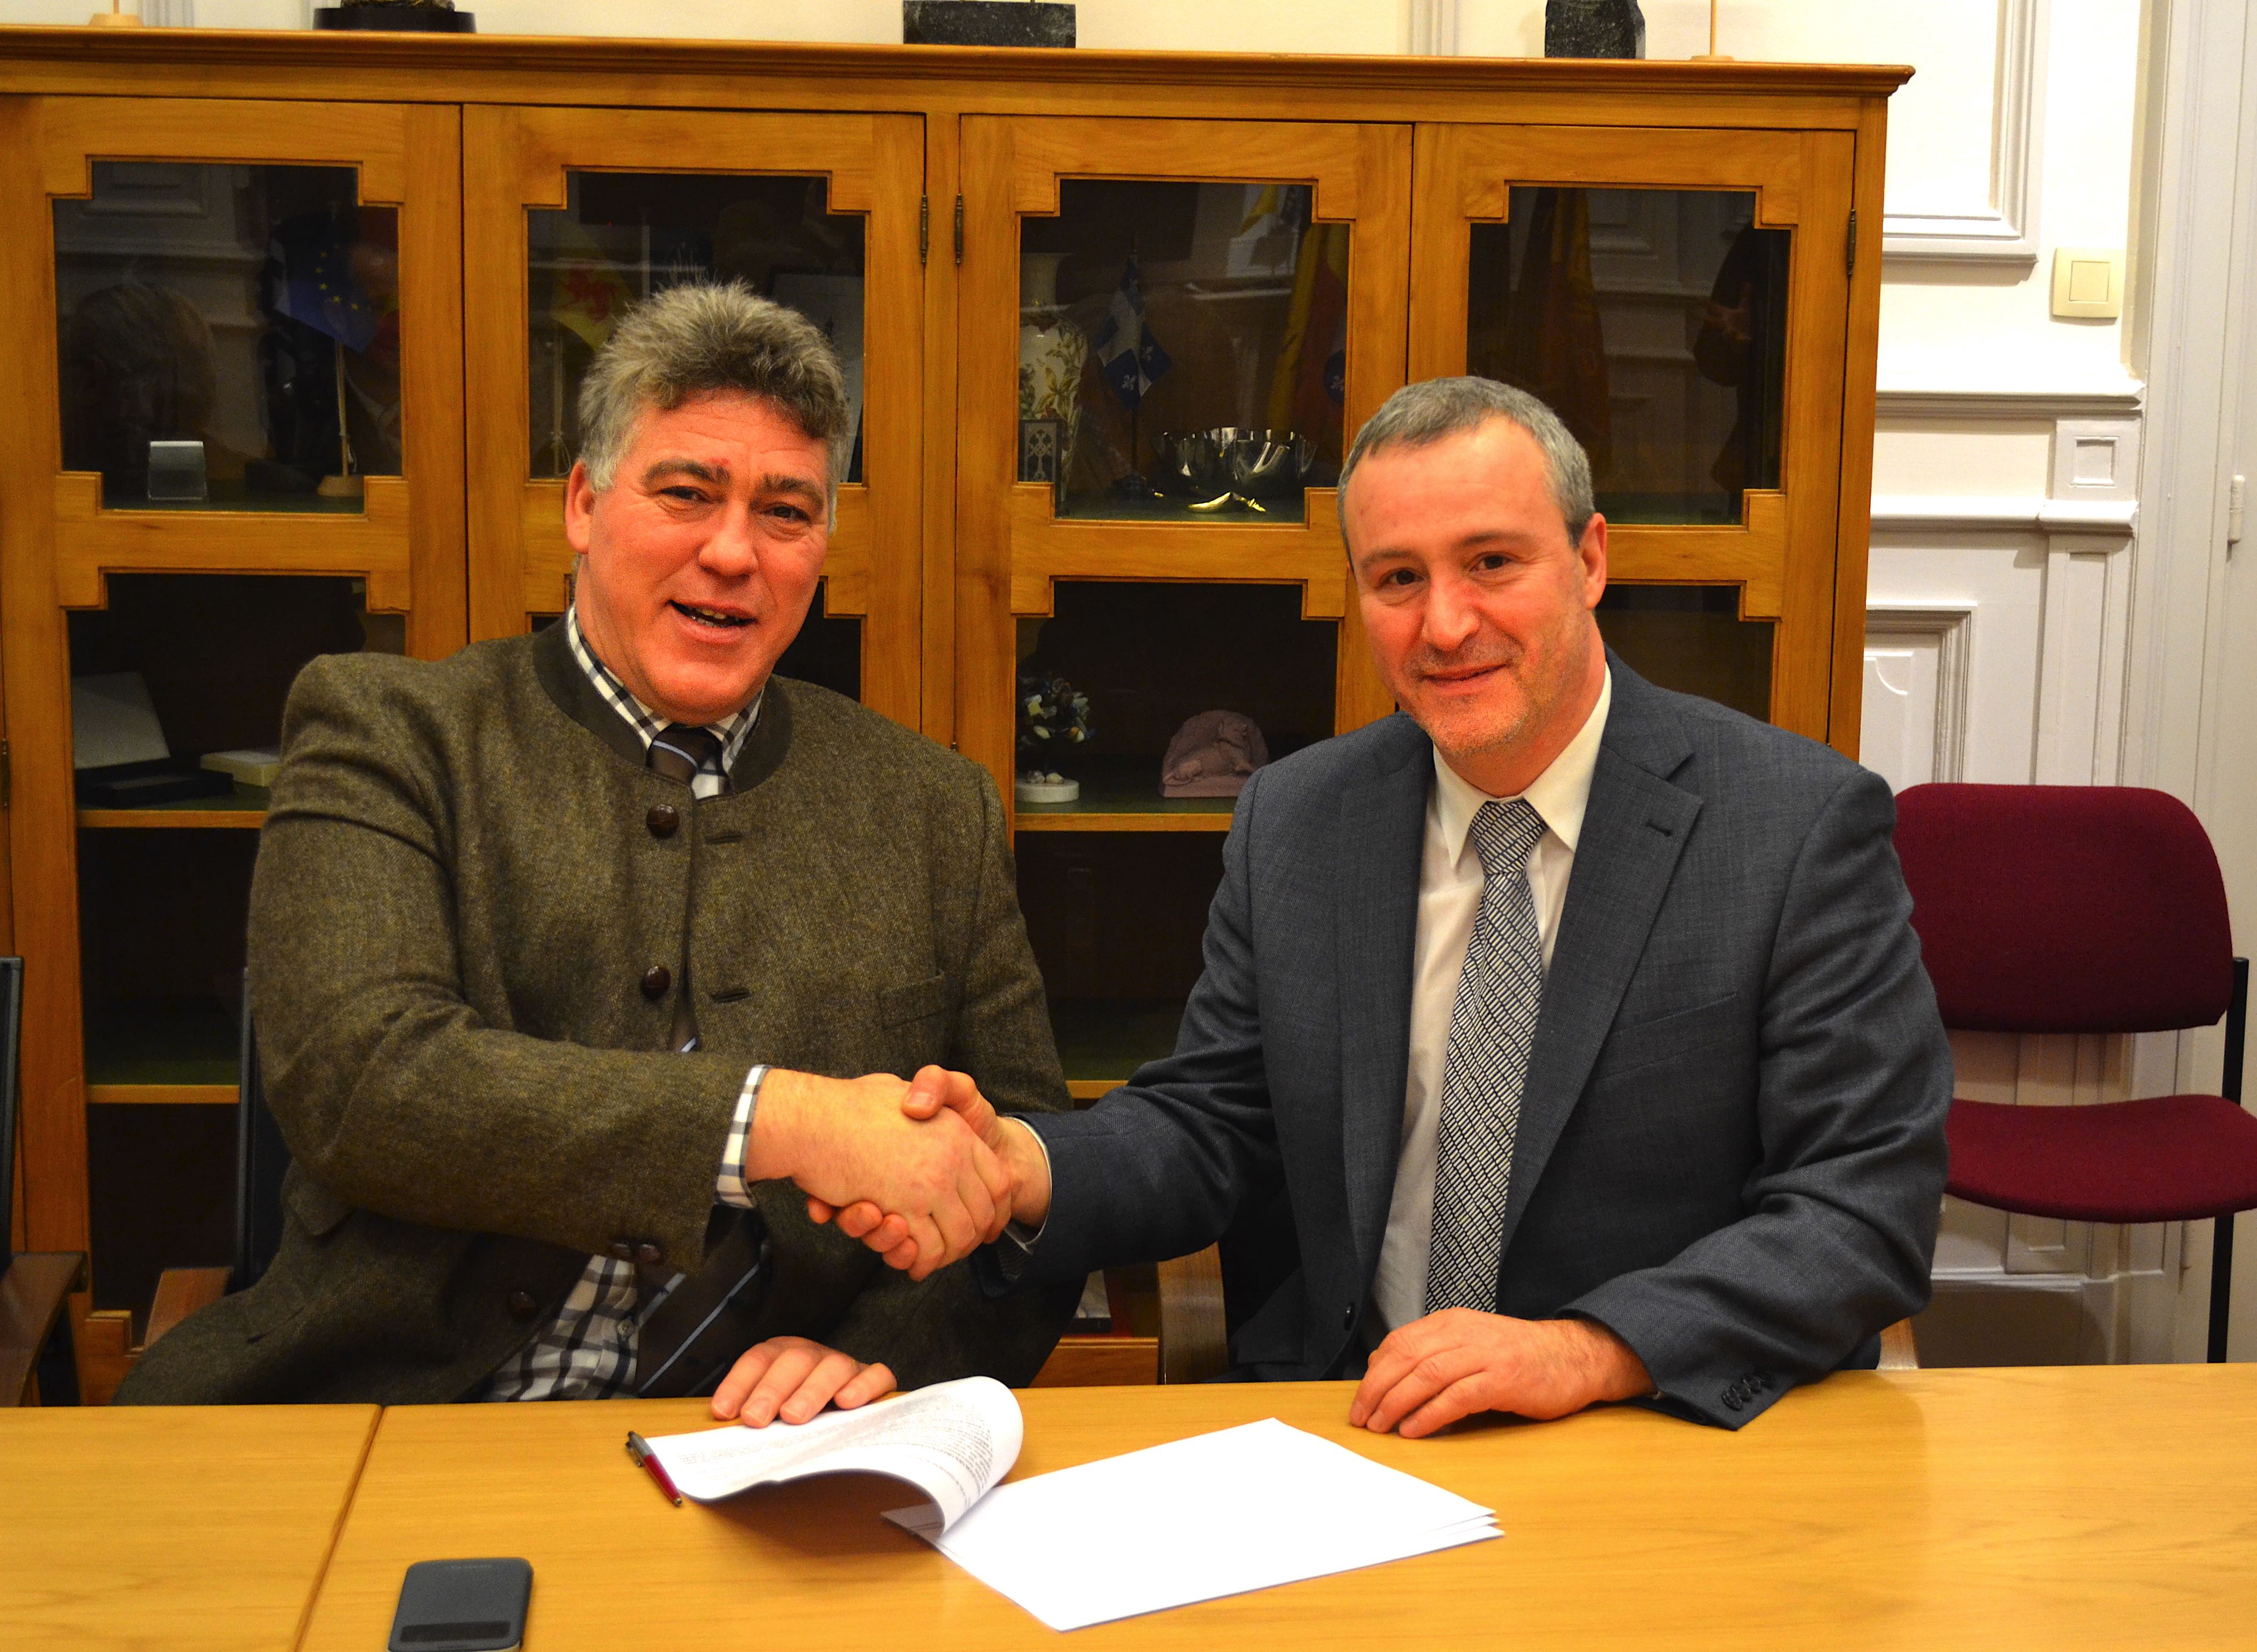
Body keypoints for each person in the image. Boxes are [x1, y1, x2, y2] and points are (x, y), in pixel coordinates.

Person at [846, 375, 1949, 1433]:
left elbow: (1859, 1209)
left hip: (1650, 1425)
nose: (1445, 625)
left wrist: (1588, 1349)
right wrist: (1022, 1169)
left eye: (1492, 562)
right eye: (1398, 579)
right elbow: (1214, 1124)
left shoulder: (1794, 827)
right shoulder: (1299, 819)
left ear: (1591, 557)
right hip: (1353, 1427)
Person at [122, 284, 1073, 1421]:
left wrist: (888, 1354)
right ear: (582, 502)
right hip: (390, 1419)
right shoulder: (389, 733)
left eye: (786, 511)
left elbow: (1032, 1179)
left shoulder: (932, 809)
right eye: (686, 493)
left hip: (775, 1455)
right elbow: (365, 1083)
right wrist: (788, 1121)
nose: (734, 552)